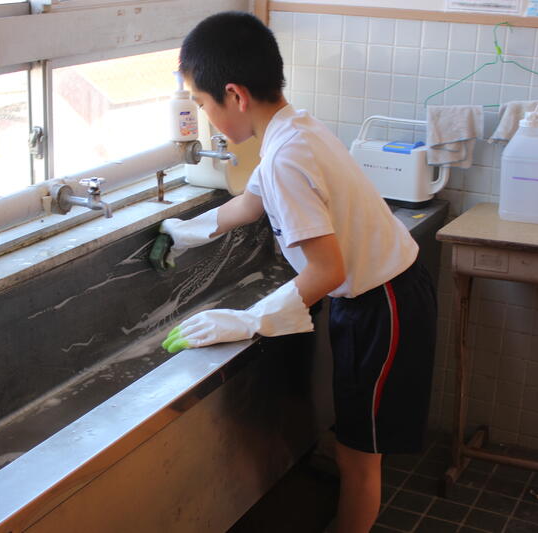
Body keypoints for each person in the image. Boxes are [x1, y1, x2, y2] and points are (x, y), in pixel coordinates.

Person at [158, 11, 436, 532]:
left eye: (202, 103)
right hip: (378, 296)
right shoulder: (294, 129)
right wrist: (184, 231)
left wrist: (251, 319)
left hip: (384, 304)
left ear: (235, 95)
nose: (204, 116)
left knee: (359, 459)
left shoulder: (286, 156)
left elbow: (327, 270)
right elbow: (251, 203)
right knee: (354, 446)